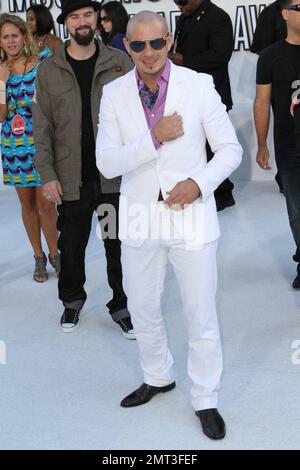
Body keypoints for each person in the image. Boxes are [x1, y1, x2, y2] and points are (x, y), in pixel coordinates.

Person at [96, 11, 242, 440]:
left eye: (156, 43)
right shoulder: (113, 93)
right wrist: (154, 137)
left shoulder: (198, 85)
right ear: (127, 46)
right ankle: (157, 375)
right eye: (138, 45)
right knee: (142, 308)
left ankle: (205, 397)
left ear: (169, 40)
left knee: (200, 314)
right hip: (140, 219)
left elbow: (229, 151)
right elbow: (107, 162)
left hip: (192, 219)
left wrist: (199, 184)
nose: (148, 53)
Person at [32, 0, 135, 338]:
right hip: (71, 181)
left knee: (116, 245)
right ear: (65, 23)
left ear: (97, 19)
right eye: (74, 16)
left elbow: (136, 121)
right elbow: (42, 128)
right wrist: (47, 175)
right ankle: (72, 303)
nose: (82, 22)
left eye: (88, 15)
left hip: (113, 181)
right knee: (72, 247)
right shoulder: (49, 70)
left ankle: (122, 305)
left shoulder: (119, 63)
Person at [0, 13, 59, 283]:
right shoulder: (0, 70)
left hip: (41, 142)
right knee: (27, 203)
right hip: (13, 145)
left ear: (24, 36)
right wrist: (1, 82)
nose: (10, 41)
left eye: (14, 35)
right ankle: (38, 257)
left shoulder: (42, 61)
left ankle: (55, 253)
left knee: (46, 203)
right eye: (5, 37)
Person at [168, 0, 236, 212]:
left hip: (214, 94)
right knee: (198, 147)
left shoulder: (218, 18)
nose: (179, 4)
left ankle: (224, 195)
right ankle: (203, 190)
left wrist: (181, 59)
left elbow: (220, 56)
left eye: (183, 1)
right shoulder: (185, 16)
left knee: (216, 148)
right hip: (189, 96)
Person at [254, 0, 300, 289]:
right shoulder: (270, 56)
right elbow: (261, 102)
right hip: (290, 147)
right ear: (285, 14)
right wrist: (261, 144)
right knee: (296, 210)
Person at [250, 0, 287, 193]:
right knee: (284, 128)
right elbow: (261, 49)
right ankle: (285, 178)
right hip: (281, 84)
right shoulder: (270, 13)